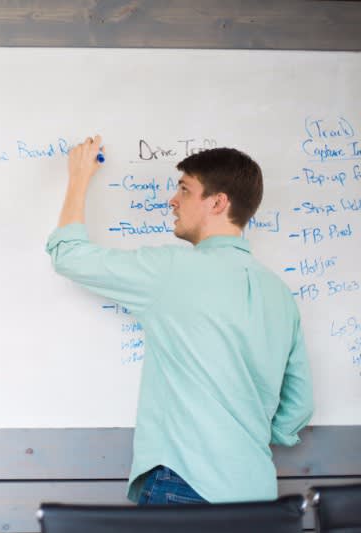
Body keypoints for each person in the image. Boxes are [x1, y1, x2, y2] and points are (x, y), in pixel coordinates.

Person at [45, 135, 314, 505]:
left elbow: (68, 255)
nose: (173, 200)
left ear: (218, 202)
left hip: (186, 486)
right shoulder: (280, 294)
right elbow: (297, 409)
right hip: (259, 494)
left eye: (185, 190)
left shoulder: (172, 270)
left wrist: (78, 177)